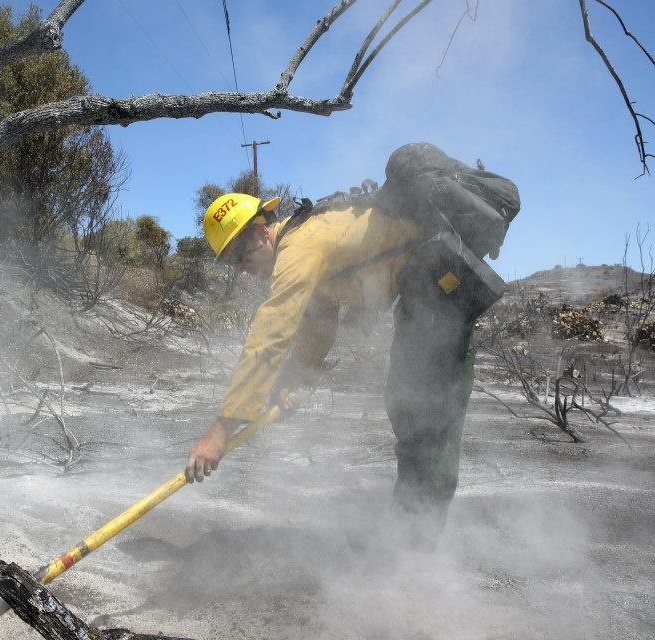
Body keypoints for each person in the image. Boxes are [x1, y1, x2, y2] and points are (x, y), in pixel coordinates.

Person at [185, 189, 477, 546]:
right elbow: (318, 324)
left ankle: (415, 551)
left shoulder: (301, 246)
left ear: (262, 232)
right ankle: (409, 538)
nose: (240, 268)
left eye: (240, 255)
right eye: (231, 262)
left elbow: (272, 330)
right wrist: (293, 381)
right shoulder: (305, 245)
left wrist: (221, 429)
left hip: (442, 297)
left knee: (426, 417)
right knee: (408, 409)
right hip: (424, 297)